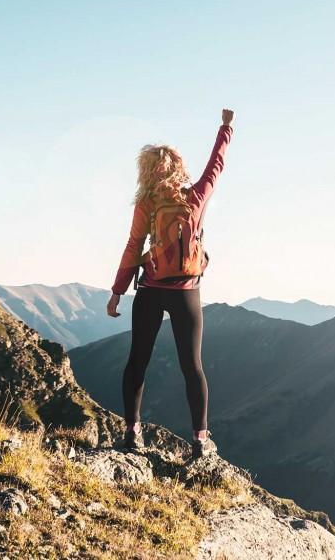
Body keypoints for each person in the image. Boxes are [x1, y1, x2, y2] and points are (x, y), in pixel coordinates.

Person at [106, 109, 235, 457]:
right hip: (186, 293)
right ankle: (199, 439)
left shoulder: (146, 204)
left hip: (150, 290)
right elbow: (216, 166)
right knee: (192, 366)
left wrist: (117, 292)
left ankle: (132, 433)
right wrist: (225, 128)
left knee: (137, 361)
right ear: (178, 167)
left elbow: (134, 247)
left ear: (146, 171)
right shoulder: (195, 196)